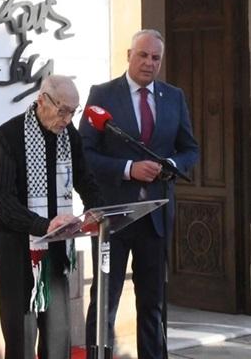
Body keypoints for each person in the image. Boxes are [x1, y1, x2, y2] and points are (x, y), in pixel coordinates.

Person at [79, 29, 199, 359]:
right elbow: (84, 153)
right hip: (113, 219)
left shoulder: (173, 97)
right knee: (105, 301)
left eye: (155, 58)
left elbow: (190, 149)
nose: (149, 63)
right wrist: (129, 168)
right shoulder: (102, 95)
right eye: (143, 55)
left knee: (154, 304)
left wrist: (169, 164)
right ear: (129, 54)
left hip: (156, 218)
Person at [0, 75, 103, 359]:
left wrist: (97, 209)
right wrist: (42, 225)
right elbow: (2, 199)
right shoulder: (10, 135)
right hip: (16, 246)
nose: (66, 119)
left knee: (58, 333)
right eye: (62, 110)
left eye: (72, 112)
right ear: (42, 100)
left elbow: (85, 179)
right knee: (22, 335)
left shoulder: (69, 136)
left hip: (55, 246)